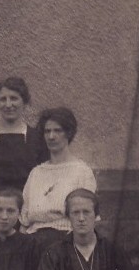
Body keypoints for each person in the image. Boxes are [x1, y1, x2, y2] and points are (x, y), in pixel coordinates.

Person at [21, 107, 97, 251]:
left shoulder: (81, 171)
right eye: (47, 131)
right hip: (33, 243)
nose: (51, 136)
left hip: (66, 243)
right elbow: (24, 221)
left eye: (57, 131)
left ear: (68, 133)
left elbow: (87, 218)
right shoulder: (36, 173)